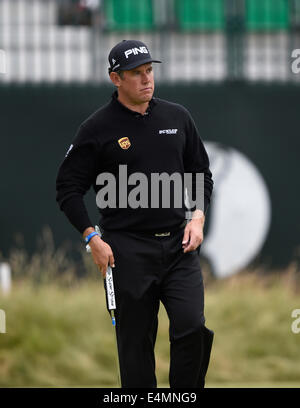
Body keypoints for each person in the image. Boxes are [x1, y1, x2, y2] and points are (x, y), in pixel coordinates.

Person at [56, 39, 214, 388]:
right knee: (135, 347)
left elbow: (200, 172)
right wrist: (91, 238)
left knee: (192, 328)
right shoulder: (97, 129)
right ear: (115, 78)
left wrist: (198, 216)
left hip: (178, 246)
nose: (146, 80)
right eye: (135, 74)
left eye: (149, 71)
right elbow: (67, 189)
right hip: (126, 251)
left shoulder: (177, 117)